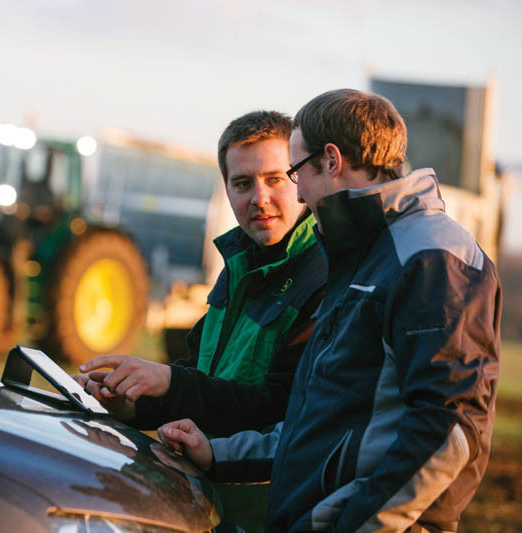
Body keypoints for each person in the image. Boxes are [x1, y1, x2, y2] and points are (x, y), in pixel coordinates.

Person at [159, 89, 502, 532]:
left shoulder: (431, 256)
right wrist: (219, 454)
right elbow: (324, 420)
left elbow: (450, 429)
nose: (299, 194)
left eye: (295, 172)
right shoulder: (361, 253)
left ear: (332, 161)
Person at [75, 110, 326, 437]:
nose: (259, 199)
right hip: (206, 478)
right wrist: (131, 403)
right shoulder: (238, 265)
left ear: (299, 179)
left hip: (254, 486)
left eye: (274, 179)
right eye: (242, 183)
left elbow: (281, 406)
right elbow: (204, 375)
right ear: (227, 189)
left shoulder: (322, 277)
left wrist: (169, 381)